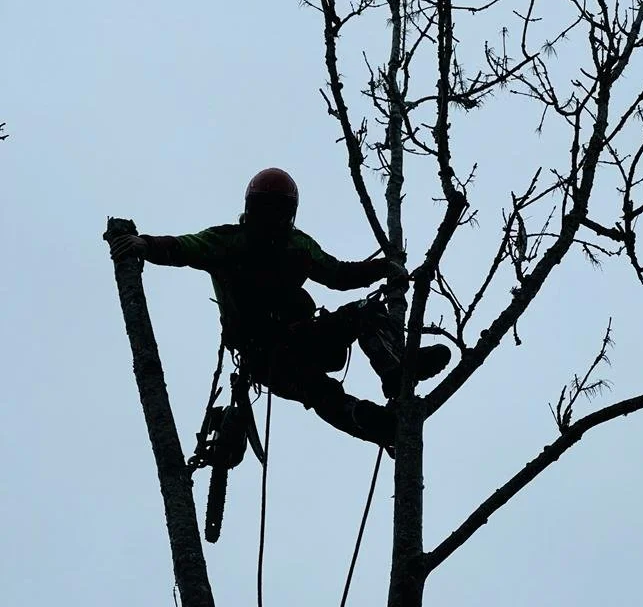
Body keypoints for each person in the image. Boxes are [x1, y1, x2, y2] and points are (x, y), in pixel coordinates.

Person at [109, 168, 450, 448]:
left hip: (300, 336)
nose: (272, 220)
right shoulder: (230, 242)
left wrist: (383, 268)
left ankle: (397, 370)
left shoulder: (295, 246)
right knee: (318, 389)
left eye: (278, 211)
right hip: (265, 353)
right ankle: (375, 424)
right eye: (267, 210)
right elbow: (184, 247)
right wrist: (146, 245)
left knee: (363, 313)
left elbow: (337, 274)